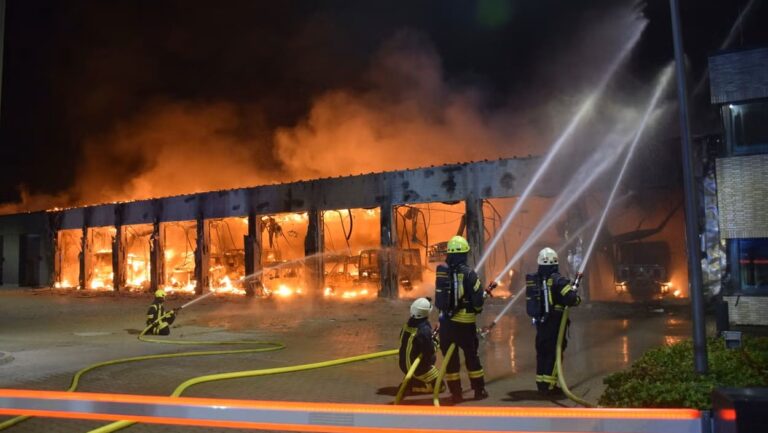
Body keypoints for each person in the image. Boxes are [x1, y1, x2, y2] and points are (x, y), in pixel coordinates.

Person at [435, 235, 488, 403]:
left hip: (446, 326)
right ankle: (478, 391)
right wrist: (477, 310)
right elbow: (478, 299)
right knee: (472, 358)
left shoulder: (443, 272)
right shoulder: (470, 274)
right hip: (465, 325)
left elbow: (441, 299)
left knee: (451, 362)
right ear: (464, 254)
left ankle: (455, 393)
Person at [528, 247, 581, 394]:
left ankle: (541, 384)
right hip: (555, 323)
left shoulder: (537, 280)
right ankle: (550, 386)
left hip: (541, 322)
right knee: (554, 352)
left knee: (542, 351)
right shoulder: (559, 280)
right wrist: (577, 298)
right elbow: (571, 299)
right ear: (556, 263)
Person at [398, 297, 444, 393]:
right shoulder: (424, 331)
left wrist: (432, 333)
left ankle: (412, 380)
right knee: (440, 386)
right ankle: (412, 387)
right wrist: (436, 338)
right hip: (417, 368)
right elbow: (430, 350)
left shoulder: (407, 325)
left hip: (404, 365)